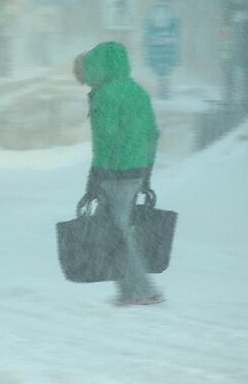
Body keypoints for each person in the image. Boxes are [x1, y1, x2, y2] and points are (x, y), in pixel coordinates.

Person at [75, 41, 163, 306]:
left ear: (97, 68)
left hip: (115, 172)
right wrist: (147, 171)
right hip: (136, 171)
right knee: (113, 229)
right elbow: (152, 135)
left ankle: (142, 290)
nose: (85, 82)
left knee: (118, 232)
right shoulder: (138, 92)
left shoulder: (105, 95)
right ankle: (127, 288)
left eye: (85, 75)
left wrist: (96, 176)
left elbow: (106, 139)